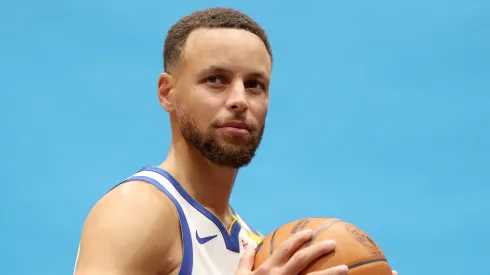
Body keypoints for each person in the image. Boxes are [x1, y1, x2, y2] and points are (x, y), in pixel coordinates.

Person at [73, 7, 397, 275]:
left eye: (255, 85)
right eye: (216, 80)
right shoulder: (137, 209)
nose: (239, 99)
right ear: (167, 93)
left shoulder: (252, 246)